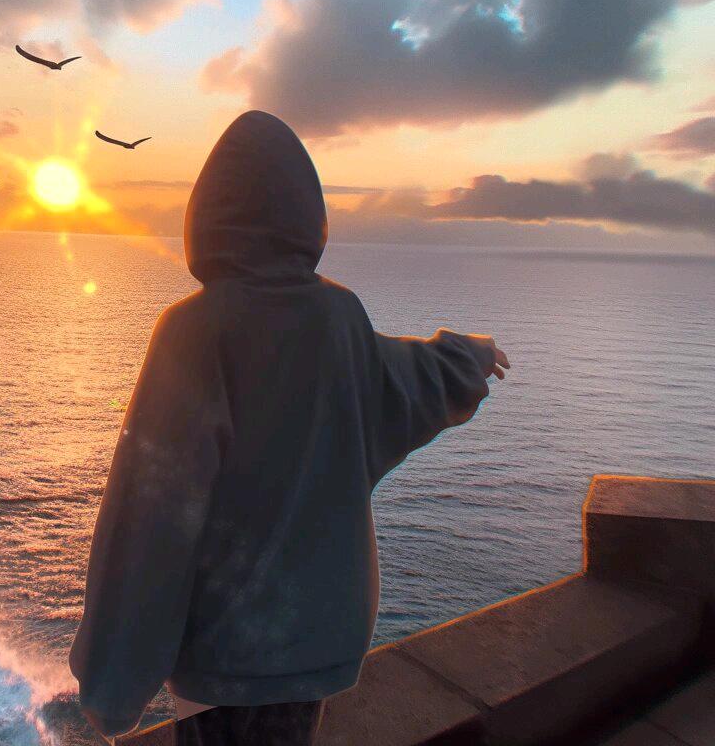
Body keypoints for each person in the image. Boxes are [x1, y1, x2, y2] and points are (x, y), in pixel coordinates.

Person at [69, 110, 510, 744]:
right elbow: (399, 376)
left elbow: (149, 516)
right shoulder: (338, 316)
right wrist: (466, 357)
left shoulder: (195, 331)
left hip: (226, 654)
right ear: (307, 212)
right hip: (318, 641)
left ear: (207, 213)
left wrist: (115, 685)